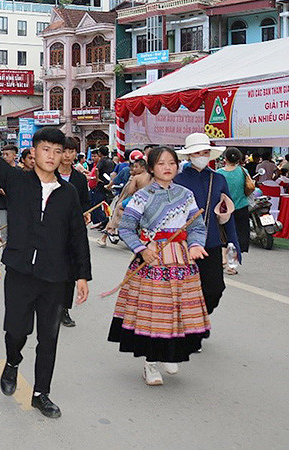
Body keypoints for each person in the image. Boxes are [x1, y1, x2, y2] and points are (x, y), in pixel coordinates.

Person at [0, 126, 91, 419]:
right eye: (45, 150)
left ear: (64, 156)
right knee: (16, 329)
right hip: (21, 270)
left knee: (49, 337)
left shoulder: (69, 192)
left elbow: (77, 236)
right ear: (33, 152)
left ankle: (41, 394)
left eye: (57, 151)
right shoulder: (16, 181)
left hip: (55, 277)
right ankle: (12, 361)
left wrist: (82, 275)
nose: (51, 156)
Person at [109, 147, 210, 386]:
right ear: (152, 168)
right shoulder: (142, 196)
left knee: (178, 309)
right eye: (162, 163)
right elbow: (126, 227)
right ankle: (150, 363)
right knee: (154, 311)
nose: (168, 167)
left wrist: (195, 244)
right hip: (152, 257)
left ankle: (170, 353)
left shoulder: (186, 195)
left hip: (181, 259)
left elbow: (197, 225)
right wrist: (142, 249)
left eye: (172, 163)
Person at [175, 133, 240, 315]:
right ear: (189, 155)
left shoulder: (218, 179)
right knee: (183, 291)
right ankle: (191, 329)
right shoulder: (177, 180)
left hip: (211, 243)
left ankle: (200, 318)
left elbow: (227, 212)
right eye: (197, 153)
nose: (202, 156)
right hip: (182, 244)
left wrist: (233, 243)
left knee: (215, 289)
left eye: (205, 152)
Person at [56, 137, 89, 328]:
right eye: (64, 151)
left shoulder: (79, 178)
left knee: (69, 273)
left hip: (72, 233)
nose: (68, 156)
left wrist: (85, 213)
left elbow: (85, 202)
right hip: (51, 232)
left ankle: (64, 309)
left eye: (71, 151)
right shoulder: (49, 175)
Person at [217, 148, 251, 268]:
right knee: (238, 236)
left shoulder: (219, 173)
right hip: (241, 207)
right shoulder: (243, 171)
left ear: (225, 159)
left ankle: (223, 258)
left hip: (225, 209)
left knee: (223, 235)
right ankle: (233, 265)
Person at [0, 144, 21, 243]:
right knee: (4, 231)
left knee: (15, 231)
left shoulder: (19, 171)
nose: (5, 157)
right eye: (3, 155)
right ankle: (5, 254)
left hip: (16, 206)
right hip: (2, 204)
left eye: (7, 154)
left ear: (14, 156)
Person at [89, 146, 115, 227]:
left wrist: (97, 179)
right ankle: (104, 221)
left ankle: (102, 220)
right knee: (107, 204)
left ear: (100, 153)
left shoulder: (102, 161)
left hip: (101, 185)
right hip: (108, 184)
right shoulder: (111, 161)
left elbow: (97, 169)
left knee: (97, 203)